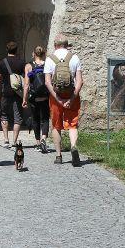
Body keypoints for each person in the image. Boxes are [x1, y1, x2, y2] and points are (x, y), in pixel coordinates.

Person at [45, 34, 84, 167]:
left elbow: (47, 82)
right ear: (67, 45)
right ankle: (73, 146)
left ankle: (58, 155)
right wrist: (72, 98)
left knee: (56, 125)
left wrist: (58, 99)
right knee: (72, 124)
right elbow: (80, 81)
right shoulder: (74, 58)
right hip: (71, 95)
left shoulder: (50, 59)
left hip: (56, 97)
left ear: (55, 45)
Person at [0, 41, 26, 148]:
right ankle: (14, 141)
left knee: (4, 115)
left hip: (6, 92)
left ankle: (6, 140)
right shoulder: (22, 62)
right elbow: (26, 79)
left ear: (7, 50)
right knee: (18, 117)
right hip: (18, 92)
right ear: (16, 50)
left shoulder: (2, 63)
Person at [26, 46, 51, 152]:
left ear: (34, 54)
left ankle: (37, 142)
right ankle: (43, 138)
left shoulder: (29, 66)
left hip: (34, 97)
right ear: (43, 54)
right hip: (45, 96)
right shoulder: (47, 64)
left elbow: (26, 84)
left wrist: (24, 98)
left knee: (35, 118)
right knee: (45, 118)